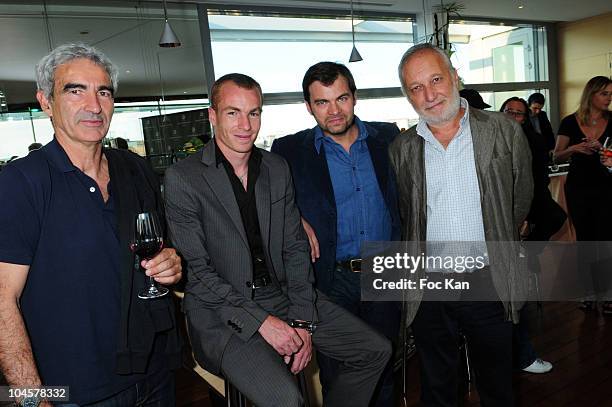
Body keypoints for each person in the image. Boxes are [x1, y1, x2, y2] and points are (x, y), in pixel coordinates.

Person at [163, 73, 391, 407]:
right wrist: (264, 324)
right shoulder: (184, 178)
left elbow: (295, 249)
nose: (245, 124)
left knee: (374, 351)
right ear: (212, 116)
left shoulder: (275, 167)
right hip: (220, 312)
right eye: (233, 112)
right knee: (286, 398)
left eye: (253, 113)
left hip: (281, 295)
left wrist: (300, 320)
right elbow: (199, 272)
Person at [0, 43, 182, 407]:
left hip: (155, 371)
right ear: (46, 102)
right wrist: (33, 400)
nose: (94, 106)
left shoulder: (135, 168)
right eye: (75, 91)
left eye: (102, 91)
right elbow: (2, 301)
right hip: (74, 391)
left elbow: (162, 252)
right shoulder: (20, 183)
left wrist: (171, 264)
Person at [390, 43, 533, 407]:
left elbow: (520, 196)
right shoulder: (402, 148)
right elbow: (408, 215)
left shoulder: (502, 131)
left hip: (489, 278)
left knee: (497, 385)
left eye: (436, 79)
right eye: (416, 87)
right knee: (438, 388)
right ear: (408, 96)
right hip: (430, 288)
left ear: (454, 77)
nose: (430, 94)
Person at [271, 61, 401, 406]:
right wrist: (294, 216)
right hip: (330, 280)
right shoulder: (288, 151)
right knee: (338, 376)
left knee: (386, 368)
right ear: (308, 106)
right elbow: (267, 202)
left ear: (354, 98)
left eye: (341, 98)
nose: (334, 110)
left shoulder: (388, 137)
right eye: (322, 102)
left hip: (386, 272)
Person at [501, 97, 566, 375]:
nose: (514, 117)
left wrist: (524, 220)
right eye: (509, 112)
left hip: (519, 224)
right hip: (493, 229)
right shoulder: (488, 139)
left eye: (519, 114)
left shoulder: (533, 143)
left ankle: (523, 355)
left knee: (514, 296)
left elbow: (535, 187)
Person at [553, 76, 612, 312]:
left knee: (606, 238)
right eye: (605, 94)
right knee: (585, 239)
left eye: (610, 94)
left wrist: (605, 150)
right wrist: (574, 148)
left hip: (607, 187)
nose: (609, 98)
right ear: (592, 95)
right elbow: (556, 156)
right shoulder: (569, 122)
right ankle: (587, 292)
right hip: (579, 188)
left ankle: (607, 293)